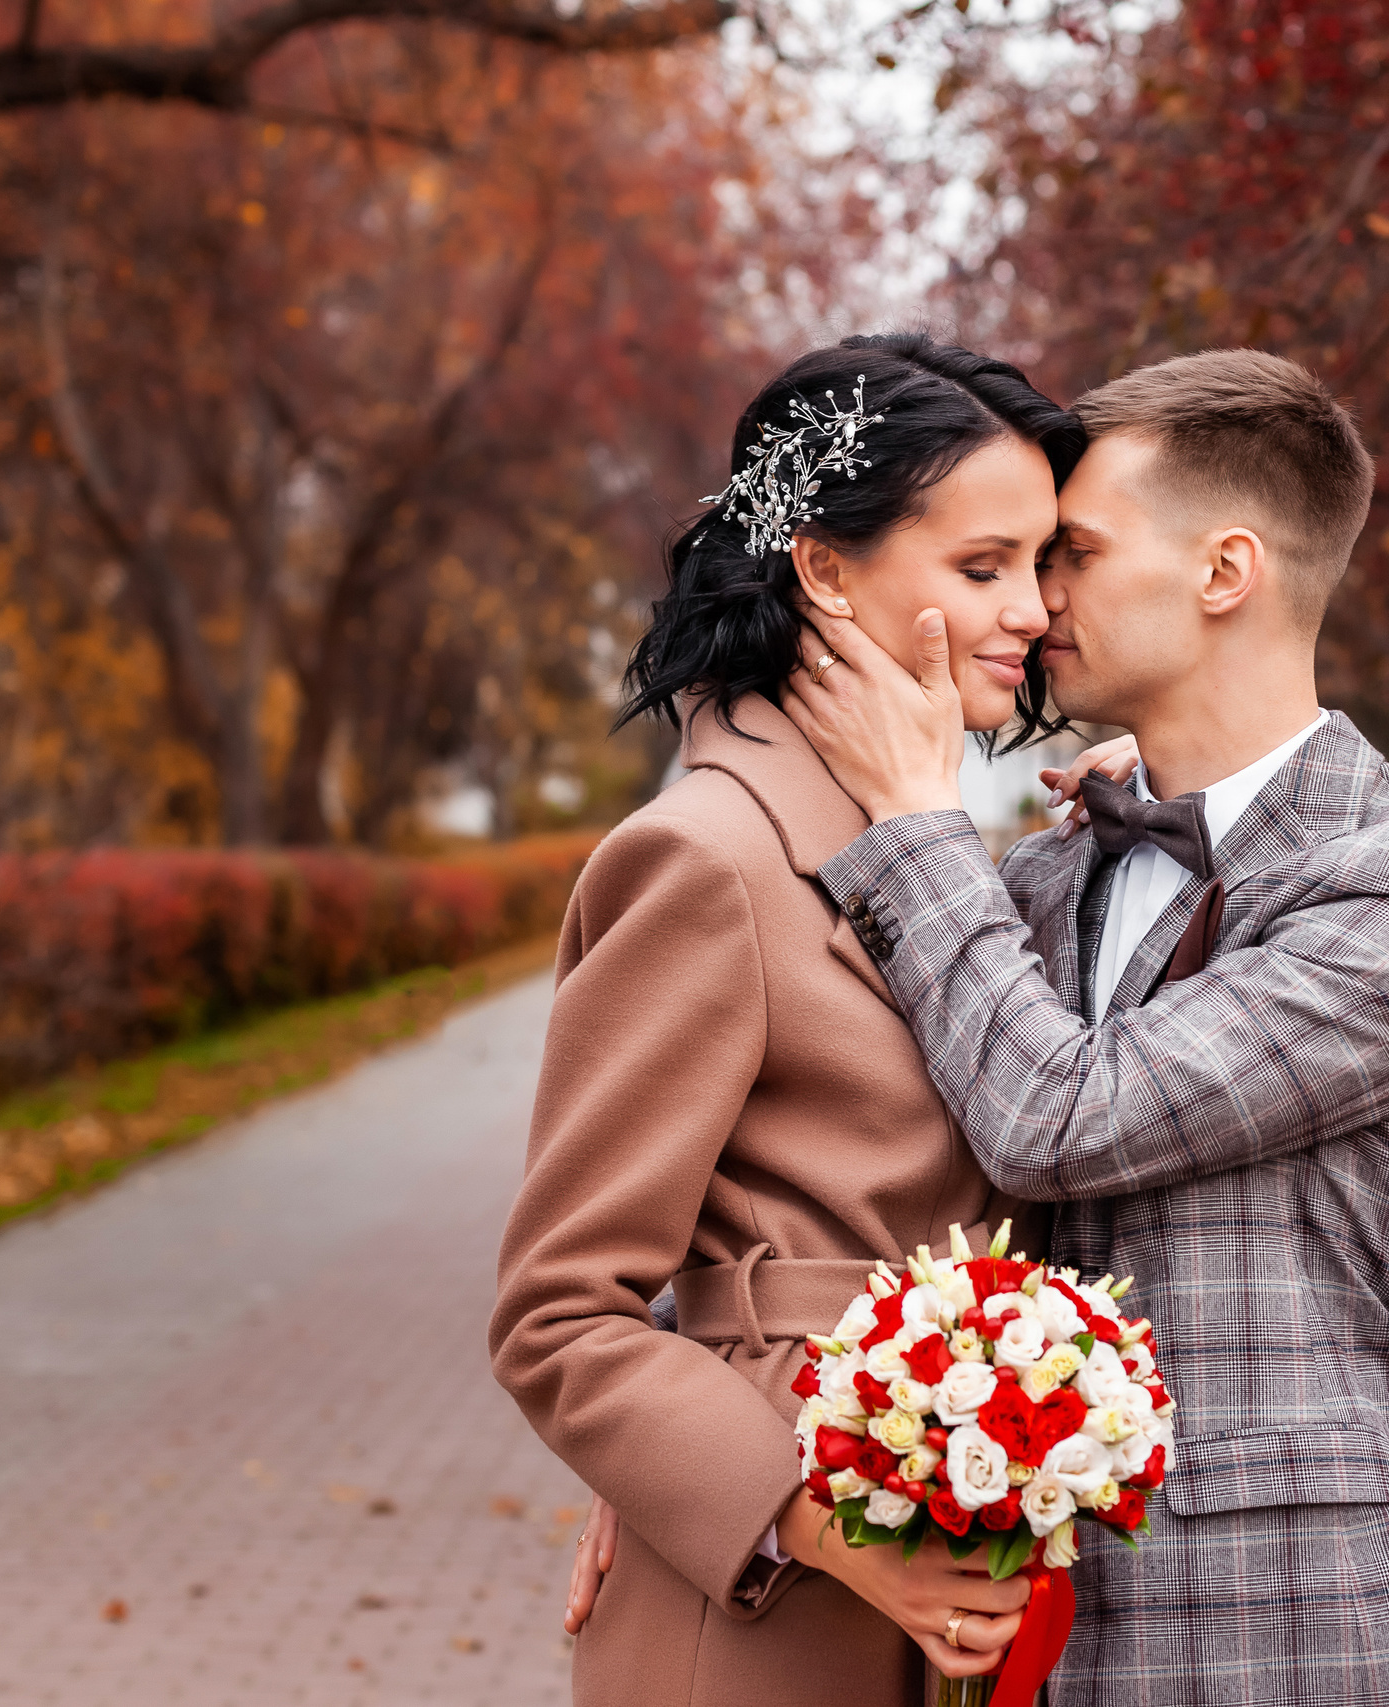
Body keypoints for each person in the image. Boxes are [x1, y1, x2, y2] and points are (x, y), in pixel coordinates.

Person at [780, 349, 1389, 1705]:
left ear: (1224, 571)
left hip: (1296, 1639)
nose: (1034, 600)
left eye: (1073, 552)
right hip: (1021, 1638)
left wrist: (915, 820)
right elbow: (869, 1186)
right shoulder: (1051, 870)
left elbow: (1057, 1117)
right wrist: (695, 1466)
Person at [488, 333, 1097, 1706]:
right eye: (982, 567)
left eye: (1041, 563)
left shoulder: (923, 848)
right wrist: (824, 1526)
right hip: (774, 1618)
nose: (1032, 612)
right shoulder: (708, 858)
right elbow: (558, 1313)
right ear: (823, 568)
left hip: (959, 1560)